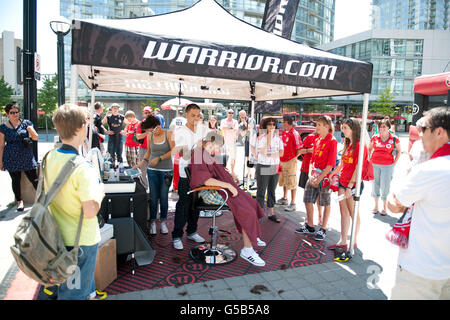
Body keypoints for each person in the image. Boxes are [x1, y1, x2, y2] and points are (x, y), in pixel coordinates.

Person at [387, 107, 450, 300]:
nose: (419, 134)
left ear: (439, 132)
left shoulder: (431, 169)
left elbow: (395, 203)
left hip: (421, 270)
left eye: (422, 128)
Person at [47, 103, 105, 300]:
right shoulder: (83, 167)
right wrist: (101, 193)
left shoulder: (48, 157)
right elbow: (90, 211)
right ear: (81, 127)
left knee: (70, 288)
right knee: (74, 294)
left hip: (54, 236)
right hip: (80, 241)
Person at [190, 131, 267, 266]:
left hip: (220, 189)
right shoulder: (199, 155)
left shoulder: (206, 154)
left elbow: (217, 169)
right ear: (209, 143)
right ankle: (247, 251)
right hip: (213, 192)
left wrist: (230, 174)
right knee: (246, 210)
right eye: (217, 146)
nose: (219, 149)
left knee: (251, 202)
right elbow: (205, 179)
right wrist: (228, 185)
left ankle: (252, 234)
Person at [172, 103, 208, 250]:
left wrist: (207, 144)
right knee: (183, 205)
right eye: (192, 115)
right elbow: (185, 154)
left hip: (200, 172)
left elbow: (213, 144)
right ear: (186, 114)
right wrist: (199, 146)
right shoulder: (180, 131)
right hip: (185, 172)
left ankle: (192, 231)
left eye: (197, 115)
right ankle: (176, 235)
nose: (195, 118)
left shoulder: (203, 129)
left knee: (196, 205)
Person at [328, 118, 368, 251]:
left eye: (345, 128)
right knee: (343, 213)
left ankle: (353, 242)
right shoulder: (348, 143)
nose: (342, 130)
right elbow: (342, 163)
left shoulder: (360, 145)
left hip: (352, 185)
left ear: (354, 129)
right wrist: (333, 173)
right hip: (342, 183)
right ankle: (343, 240)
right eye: (342, 127)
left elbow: (358, 167)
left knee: (353, 213)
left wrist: (350, 186)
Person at [296, 116, 337, 241]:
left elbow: (330, 165)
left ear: (327, 126)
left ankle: (323, 229)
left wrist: (319, 179)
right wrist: (310, 174)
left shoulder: (332, 141)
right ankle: (310, 226)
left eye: (319, 125)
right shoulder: (318, 139)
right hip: (313, 174)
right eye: (316, 124)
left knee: (325, 202)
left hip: (323, 177)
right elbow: (312, 159)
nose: (316, 127)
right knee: (307, 200)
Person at [137, 116, 174, 235]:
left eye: (152, 130)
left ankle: (163, 221)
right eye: (149, 131)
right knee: (153, 197)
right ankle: (152, 221)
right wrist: (143, 162)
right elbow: (149, 152)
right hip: (152, 170)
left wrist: (160, 158)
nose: (152, 132)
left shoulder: (169, 133)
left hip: (166, 171)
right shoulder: (149, 136)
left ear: (159, 125)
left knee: (163, 197)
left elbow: (173, 150)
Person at [0, 103, 39, 211]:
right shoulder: (3, 128)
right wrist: (0, 161)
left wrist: (30, 130)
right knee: (15, 180)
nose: (15, 114)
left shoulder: (26, 123)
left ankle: (43, 198)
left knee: (34, 178)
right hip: (11, 156)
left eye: (17, 112)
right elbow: (1, 145)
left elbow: (35, 137)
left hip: (26, 155)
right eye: (12, 112)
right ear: (7, 114)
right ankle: (19, 201)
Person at [252, 117, 284, 223]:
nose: (272, 126)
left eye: (274, 124)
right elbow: (263, 151)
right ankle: (259, 213)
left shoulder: (278, 138)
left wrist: (270, 154)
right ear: (265, 125)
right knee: (261, 191)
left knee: (272, 190)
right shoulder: (261, 137)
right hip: (264, 165)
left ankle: (271, 213)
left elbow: (281, 153)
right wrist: (269, 138)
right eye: (269, 124)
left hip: (275, 166)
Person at [369, 118, 401, 216]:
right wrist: (369, 161)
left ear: (388, 127)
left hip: (388, 166)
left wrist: (394, 163)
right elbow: (369, 149)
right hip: (375, 165)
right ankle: (376, 206)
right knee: (375, 185)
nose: (382, 129)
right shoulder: (374, 137)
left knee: (385, 186)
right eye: (380, 127)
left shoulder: (394, 139)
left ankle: (384, 207)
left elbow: (399, 151)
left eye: (384, 127)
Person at [277, 115, 303, 212]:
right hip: (282, 160)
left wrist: (293, 158)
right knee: (283, 179)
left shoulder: (294, 133)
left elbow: (299, 149)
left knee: (292, 181)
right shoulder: (284, 132)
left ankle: (293, 203)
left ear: (286, 122)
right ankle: (284, 198)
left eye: (282, 122)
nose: (281, 123)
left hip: (290, 161)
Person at [298, 129, 321, 225]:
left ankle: (320, 216)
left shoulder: (328, 140)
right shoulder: (310, 137)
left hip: (319, 172)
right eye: (318, 125)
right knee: (308, 196)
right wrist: (309, 150)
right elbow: (299, 151)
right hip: (307, 168)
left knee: (319, 196)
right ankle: (309, 216)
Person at [135, 106, 153, 192]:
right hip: (143, 149)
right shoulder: (141, 124)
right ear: (143, 113)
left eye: (149, 112)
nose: (147, 114)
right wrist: (147, 133)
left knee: (154, 170)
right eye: (146, 113)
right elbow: (138, 137)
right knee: (143, 170)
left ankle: (153, 188)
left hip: (154, 150)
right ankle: (145, 188)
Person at [238, 110, 257, 185]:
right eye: (241, 116)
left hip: (254, 140)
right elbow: (242, 134)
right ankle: (248, 172)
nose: (242, 117)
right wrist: (245, 127)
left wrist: (245, 124)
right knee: (248, 157)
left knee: (254, 156)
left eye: (243, 115)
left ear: (246, 114)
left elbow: (250, 128)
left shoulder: (251, 120)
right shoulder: (241, 123)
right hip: (247, 140)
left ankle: (256, 172)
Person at [220, 109, 239, 176]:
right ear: (227, 113)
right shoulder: (223, 121)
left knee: (233, 158)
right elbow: (222, 128)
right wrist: (231, 127)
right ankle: (223, 171)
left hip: (232, 142)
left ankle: (232, 171)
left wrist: (228, 128)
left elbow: (236, 129)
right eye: (229, 112)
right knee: (224, 158)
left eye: (232, 113)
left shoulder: (235, 121)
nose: (230, 114)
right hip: (225, 142)